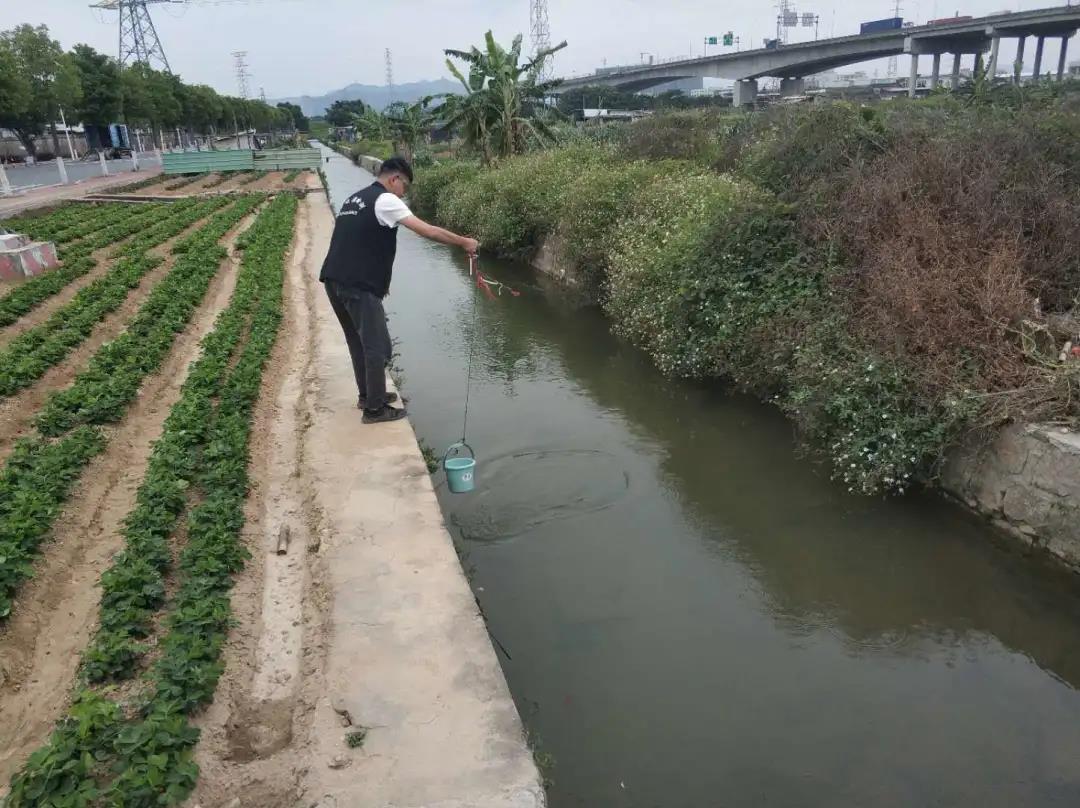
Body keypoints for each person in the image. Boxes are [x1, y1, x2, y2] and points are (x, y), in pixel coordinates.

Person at [319, 155, 480, 423]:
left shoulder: (355, 199)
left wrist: (380, 283)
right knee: (377, 347)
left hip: (335, 280)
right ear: (394, 179)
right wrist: (464, 242)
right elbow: (428, 231)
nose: (404, 193)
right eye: (404, 186)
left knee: (358, 342)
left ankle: (369, 395)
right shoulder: (386, 200)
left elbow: (360, 241)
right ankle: (375, 410)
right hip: (357, 286)